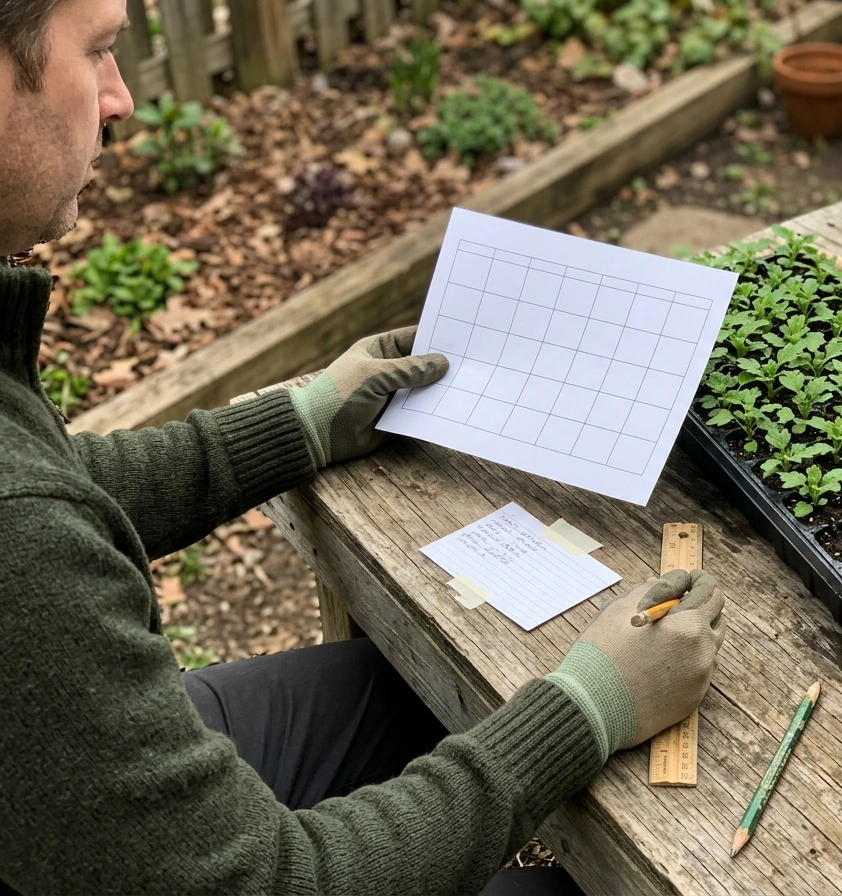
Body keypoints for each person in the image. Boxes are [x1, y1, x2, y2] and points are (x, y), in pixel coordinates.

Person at [0, 1, 728, 893]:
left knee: (409, 691)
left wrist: (302, 420)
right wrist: (585, 708)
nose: (120, 98)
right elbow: (276, 884)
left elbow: (52, 480)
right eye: (99, 52)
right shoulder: (22, 549)